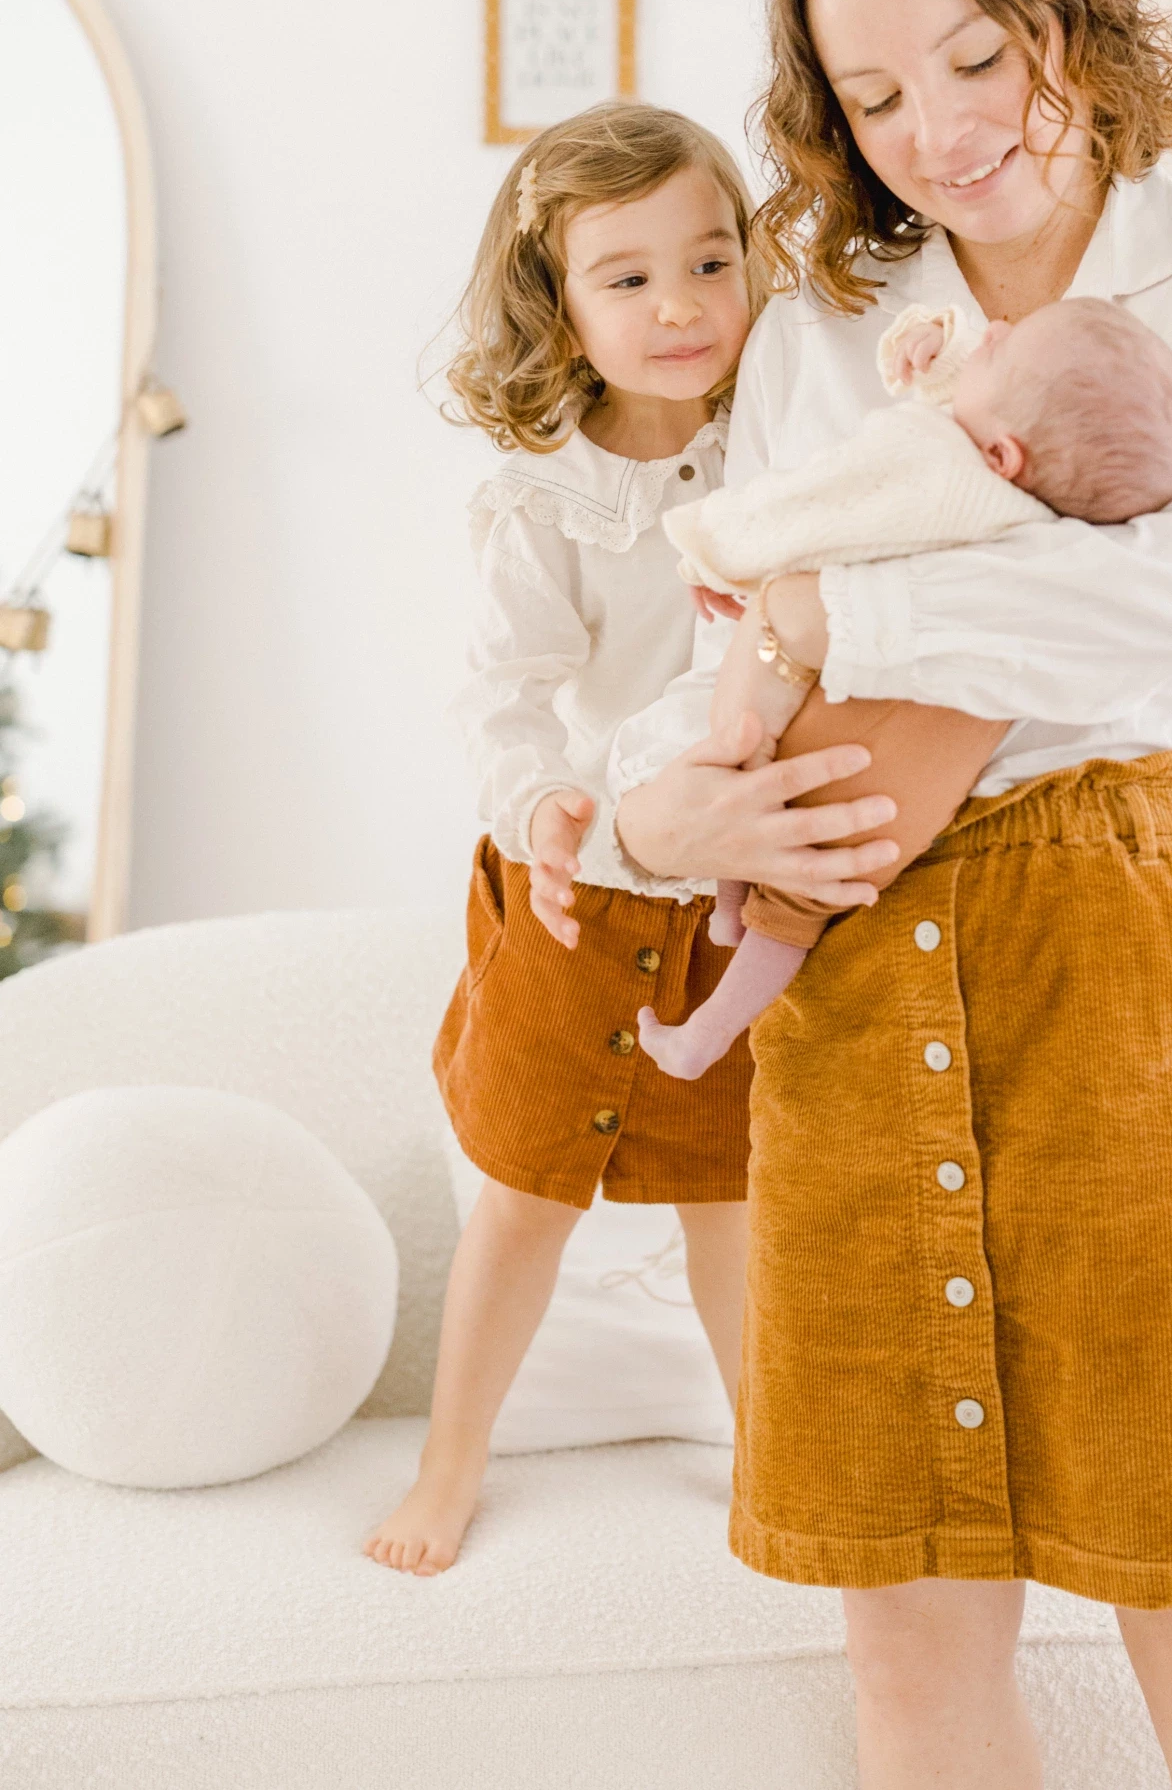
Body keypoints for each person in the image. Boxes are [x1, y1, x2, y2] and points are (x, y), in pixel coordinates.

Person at [603, 0, 1172, 1789]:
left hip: (1157, 942)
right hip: (860, 949)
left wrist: (832, 606)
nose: (936, 130)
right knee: (909, 1667)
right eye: (870, 95)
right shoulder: (809, 333)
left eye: (969, 57)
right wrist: (660, 822)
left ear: (1066, 6)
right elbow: (704, 630)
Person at [364, 101, 760, 1577]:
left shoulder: (775, 450)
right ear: (559, 300)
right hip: (576, 899)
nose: (679, 307)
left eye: (708, 261)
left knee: (730, 1198)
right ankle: (451, 1465)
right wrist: (542, 807)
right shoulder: (542, 504)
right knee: (526, 1200)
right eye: (629, 276)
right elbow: (503, 698)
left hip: (725, 905)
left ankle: (760, 1456)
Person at [636, 294, 1172, 1080]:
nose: (993, 330)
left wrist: (709, 551)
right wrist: (954, 348)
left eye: (998, 348)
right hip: (936, 756)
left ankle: (706, 1020)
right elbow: (1000, 408)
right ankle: (718, 983)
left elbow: (819, 509)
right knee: (798, 896)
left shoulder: (941, 472)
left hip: (846, 727)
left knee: (748, 761)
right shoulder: (1049, 523)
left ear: (1003, 456)